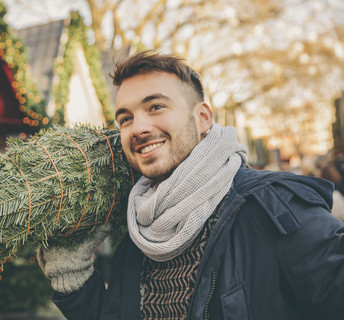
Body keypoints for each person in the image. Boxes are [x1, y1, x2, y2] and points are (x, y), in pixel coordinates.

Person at [36, 50, 344, 319]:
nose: (138, 128)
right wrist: (73, 280)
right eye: (125, 118)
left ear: (203, 118)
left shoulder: (274, 208)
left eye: (156, 107)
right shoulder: (139, 235)